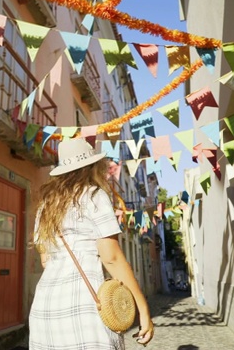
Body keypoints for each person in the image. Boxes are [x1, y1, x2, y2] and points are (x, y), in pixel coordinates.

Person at [29, 138, 154, 349]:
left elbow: (45, 260)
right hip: (86, 304)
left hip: (46, 305)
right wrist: (143, 308)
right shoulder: (94, 196)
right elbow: (112, 258)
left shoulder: (45, 207)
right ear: (91, 167)